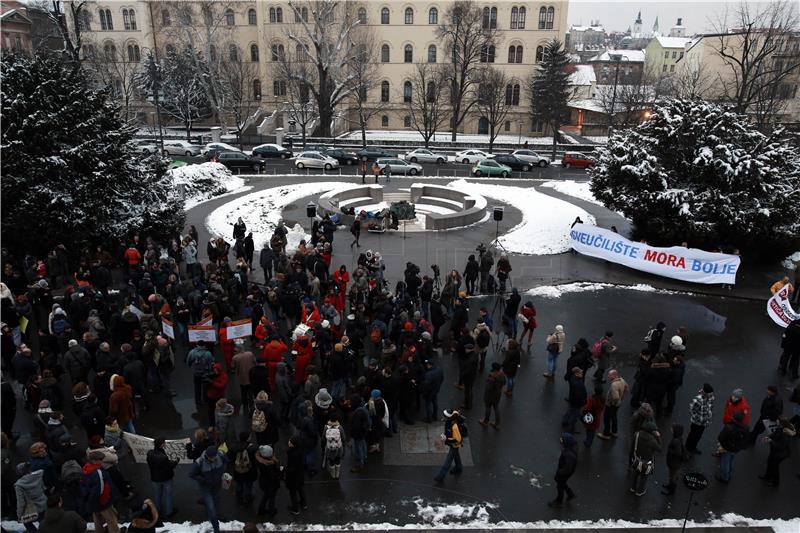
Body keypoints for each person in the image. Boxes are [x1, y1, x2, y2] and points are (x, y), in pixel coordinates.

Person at [190, 446, 227, 533]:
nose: (214, 459)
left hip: (217, 486)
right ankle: (216, 529)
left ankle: (209, 510)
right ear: (207, 455)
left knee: (216, 502)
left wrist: (223, 471)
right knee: (212, 509)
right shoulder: (199, 462)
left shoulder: (220, 455)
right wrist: (203, 480)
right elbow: (191, 474)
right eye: (211, 457)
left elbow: (226, 462)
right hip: (206, 488)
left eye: (215, 457)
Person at [81, 451, 119, 533]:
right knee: (111, 520)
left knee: (97, 520)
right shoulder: (98, 473)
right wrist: (106, 500)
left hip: (93, 503)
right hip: (103, 502)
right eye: (100, 459)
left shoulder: (86, 469)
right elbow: (99, 490)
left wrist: (90, 501)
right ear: (95, 461)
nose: (102, 461)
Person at [146, 437, 178, 520]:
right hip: (166, 479)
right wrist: (175, 462)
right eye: (164, 443)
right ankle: (169, 512)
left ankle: (157, 510)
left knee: (157, 495)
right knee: (168, 495)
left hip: (155, 479)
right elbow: (169, 466)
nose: (165, 444)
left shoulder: (149, 454)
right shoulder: (163, 457)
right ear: (161, 445)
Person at [759, 417, 796, 487]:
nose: (776, 422)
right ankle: (767, 476)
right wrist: (769, 437)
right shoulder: (781, 428)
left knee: (775, 467)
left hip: (780, 454)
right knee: (770, 461)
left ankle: (775, 483)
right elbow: (775, 434)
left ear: (781, 424)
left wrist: (771, 441)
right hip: (775, 451)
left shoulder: (785, 434)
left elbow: (781, 446)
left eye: (777, 421)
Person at [716, 411, 748, 484]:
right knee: (731, 459)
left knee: (725, 463)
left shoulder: (729, 427)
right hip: (736, 449)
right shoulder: (746, 428)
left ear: (734, 419)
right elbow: (746, 440)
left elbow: (720, 437)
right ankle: (729, 472)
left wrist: (722, 445)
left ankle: (725, 478)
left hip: (727, 448)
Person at [630, 420, 661, 496]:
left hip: (637, 459)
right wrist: (658, 437)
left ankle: (632, 488)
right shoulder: (652, 441)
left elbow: (632, 446)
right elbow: (660, 449)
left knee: (635, 473)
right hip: (647, 462)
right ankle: (640, 491)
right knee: (644, 477)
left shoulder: (636, 434)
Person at [434, 409, 465, 483]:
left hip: (455, 444)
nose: (442, 418)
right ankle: (458, 467)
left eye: (444, 417)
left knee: (448, 461)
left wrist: (446, 439)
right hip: (453, 444)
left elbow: (458, 439)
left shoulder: (454, 426)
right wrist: (445, 435)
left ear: (448, 417)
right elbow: (448, 431)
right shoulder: (449, 421)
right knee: (456, 455)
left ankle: (440, 476)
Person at [15, 462, 47, 533]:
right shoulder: (38, 476)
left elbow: (21, 503)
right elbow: (43, 488)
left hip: (33, 511)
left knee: (26, 522)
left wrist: (19, 516)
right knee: (44, 523)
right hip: (44, 505)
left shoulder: (19, 485)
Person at [547, 433, 578, 507]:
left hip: (564, 472)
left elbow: (568, 468)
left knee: (560, 486)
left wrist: (560, 472)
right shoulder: (571, 449)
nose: (561, 441)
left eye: (562, 440)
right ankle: (570, 494)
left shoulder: (568, 454)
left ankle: (559, 501)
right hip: (565, 471)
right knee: (561, 482)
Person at [597, 369, 628, 440]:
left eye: (609, 375)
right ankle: (614, 432)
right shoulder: (622, 380)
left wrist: (612, 403)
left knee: (607, 419)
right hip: (618, 404)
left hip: (611, 405)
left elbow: (615, 397)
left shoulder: (614, 385)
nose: (608, 376)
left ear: (614, 375)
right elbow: (626, 388)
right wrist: (621, 397)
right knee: (614, 417)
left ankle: (606, 434)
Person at [228, 431, 257, 505]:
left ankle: (238, 495)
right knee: (248, 485)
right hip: (249, 471)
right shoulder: (251, 448)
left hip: (238, 470)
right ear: (247, 439)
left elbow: (230, 457)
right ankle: (247, 498)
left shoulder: (234, 447)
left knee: (239, 483)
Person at [685, 383, 715, 454]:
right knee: (692, 435)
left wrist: (708, 417)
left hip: (704, 423)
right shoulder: (698, 400)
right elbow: (691, 410)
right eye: (710, 394)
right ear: (705, 393)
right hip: (696, 423)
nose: (711, 395)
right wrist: (698, 418)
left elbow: (710, 407)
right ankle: (687, 448)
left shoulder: (711, 397)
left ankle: (693, 447)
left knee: (698, 436)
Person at [255, 445, 281, 517]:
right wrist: (280, 471)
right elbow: (274, 476)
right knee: (271, 498)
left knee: (266, 496)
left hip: (263, 482)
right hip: (271, 484)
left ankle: (261, 510)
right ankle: (271, 511)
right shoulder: (269, 465)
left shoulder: (260, 461)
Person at [480, 363, 506, 430]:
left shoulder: (491, 378)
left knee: (488, 407)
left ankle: (486, 421)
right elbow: (504, 382)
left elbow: (488, 389)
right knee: (496, 407)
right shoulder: (502, 375)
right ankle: (497, 423)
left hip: (490, 396)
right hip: (498, 394)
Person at [285, 435, 307, 516]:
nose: (288, 442)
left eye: (290, 441)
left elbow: (292, 468)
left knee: (293, 493)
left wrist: (284, 469)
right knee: (300, 489)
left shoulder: (292, 453)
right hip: (300, 475)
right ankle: (304, 504)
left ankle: (295, 509)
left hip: (293, 477)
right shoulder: (300, 451)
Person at [348, 395, 371, 473]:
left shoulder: (358, 412)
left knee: (358, 448)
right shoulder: (363, 409)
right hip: (363, 432)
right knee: (363, 444)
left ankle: (359, 464)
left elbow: (356, 426)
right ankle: (364, 458)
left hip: (358, 434)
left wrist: (351, 436)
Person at [662, 424, 685, 496]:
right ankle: (670, 486)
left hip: (674, 463)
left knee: (673, 476)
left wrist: (670, 450)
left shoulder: (676, 441)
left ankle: (671, 491)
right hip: (674, 462)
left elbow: (678, 453)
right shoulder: (678, 439)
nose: (671, 430)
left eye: (673, 429)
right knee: (671, 475)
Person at [563, 367, 587, 434]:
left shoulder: (574, 379)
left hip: (573, 400)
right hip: (577, 402)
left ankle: (564, 421)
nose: (582, 373)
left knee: (570, 410)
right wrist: (583, 401)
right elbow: (579, 394)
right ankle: (571, 428)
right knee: (575, 416)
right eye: (580, 372)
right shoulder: (577, 383)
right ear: (576, 374)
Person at [322, 413, 346, 479]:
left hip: (329, 448)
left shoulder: (326, 427)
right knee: (338, 460)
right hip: (338, 447)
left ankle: (333, 474)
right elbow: (343, 438)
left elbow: (323, 439)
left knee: (331, 461)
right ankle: (337, 474)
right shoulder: (340, 427)